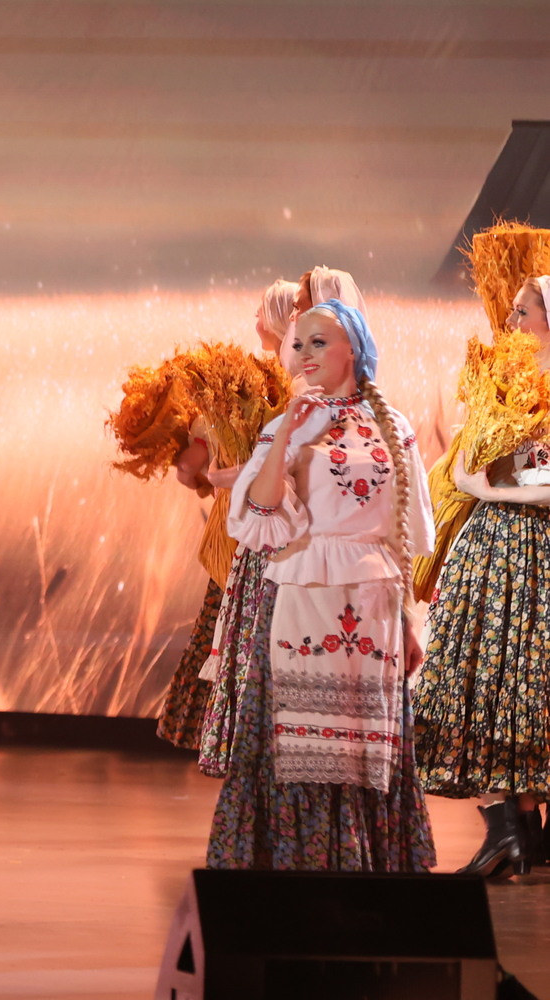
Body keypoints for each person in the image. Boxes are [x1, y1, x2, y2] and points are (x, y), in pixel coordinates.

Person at [206, 299, 436, 870]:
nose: (304, 354)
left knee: (362, 745)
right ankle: (298, 864)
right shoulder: (288, 424)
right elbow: (260, 513)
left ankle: (363, 866)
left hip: (374, 601)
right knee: (299, 740)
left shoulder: (393, 425)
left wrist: (410, 620)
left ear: (352, 348)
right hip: (304, 592)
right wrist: (289, 427)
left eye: (318, 342)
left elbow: (402, 533)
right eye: (298, 344)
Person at [413, 274, 550, 875]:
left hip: (534, 545)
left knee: (528, 685)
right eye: (513, 311)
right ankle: (510, 829)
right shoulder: (500, 380)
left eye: (524, 311)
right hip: (492, 547)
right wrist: (490, 483)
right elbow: (468, 466)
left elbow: (521, 482)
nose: (512, 321)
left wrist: (498, 488)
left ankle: (522, 831)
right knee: (484, 678)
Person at [153, 279, 299, 749]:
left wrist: (214, 476)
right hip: (260, 533)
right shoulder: (267, 388)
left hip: (256, 538)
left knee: (238, 632)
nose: (255, 318)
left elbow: (195, 469)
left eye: (261, 310)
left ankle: (234, 736)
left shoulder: (265, 392)